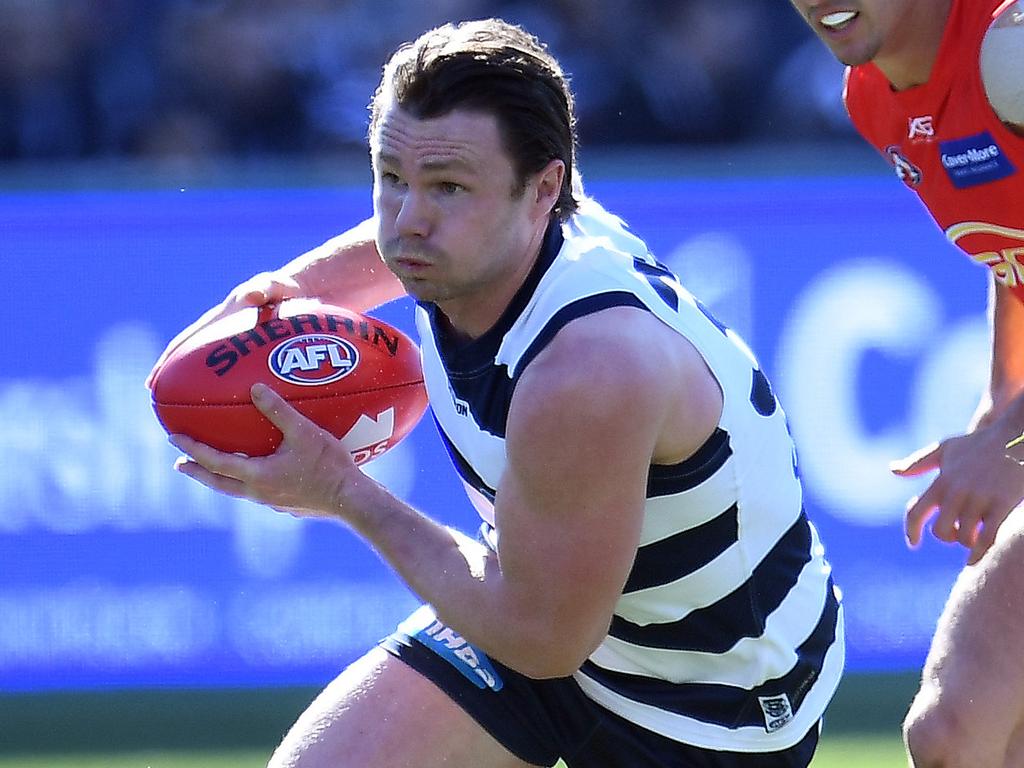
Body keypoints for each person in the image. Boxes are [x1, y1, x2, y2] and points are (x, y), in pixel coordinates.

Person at [154, 18, 844, 768]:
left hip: (710, 702)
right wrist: (290, 290)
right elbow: (399, 236)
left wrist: (342, 492)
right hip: (564, 624)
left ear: (543, 190)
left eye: (447, 186)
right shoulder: (473, 243)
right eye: (391, 178)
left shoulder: (586, 368)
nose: (407, 221)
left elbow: (540, 637)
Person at [788, 0, 1024, 765]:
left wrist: (1012, 443)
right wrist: (1000, 408)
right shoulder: (869, 92)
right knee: (965, 735)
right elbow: (1013, 255)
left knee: (958, 731)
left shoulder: (1013, 50)